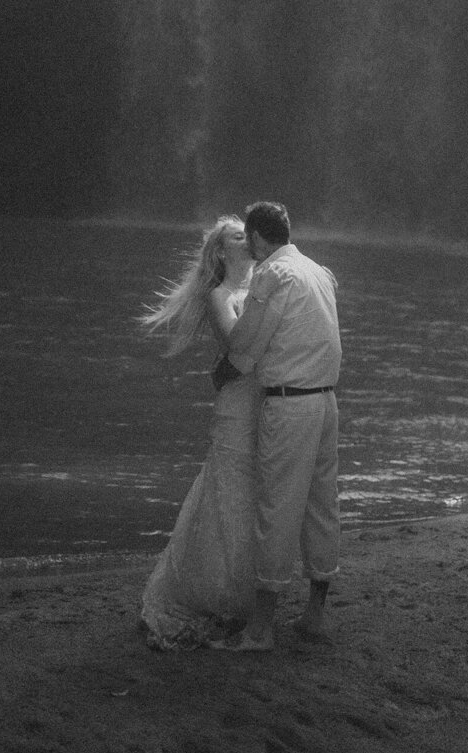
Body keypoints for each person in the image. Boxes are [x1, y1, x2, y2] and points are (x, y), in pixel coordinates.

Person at [210, 200, 341, 651]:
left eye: (250, 240)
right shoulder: (318, 271)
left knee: (277, 509)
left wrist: (225, 370)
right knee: (322, 506)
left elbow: (247, 342)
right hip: (326, 401)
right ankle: (316, 614)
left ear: (258, 238)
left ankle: (261, 628)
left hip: (290, 405)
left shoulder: (272, 274)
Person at [137, 216, 258, 647]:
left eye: (249, 233)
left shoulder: (267, 284)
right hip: (239, 404)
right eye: (238, 236)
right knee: (225, 492)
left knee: (253, 496)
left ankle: (243, 591)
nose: (249, 239)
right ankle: (209, 590)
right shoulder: (218, 294)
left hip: (265, 401)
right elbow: (235, 344)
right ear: (221, 251)